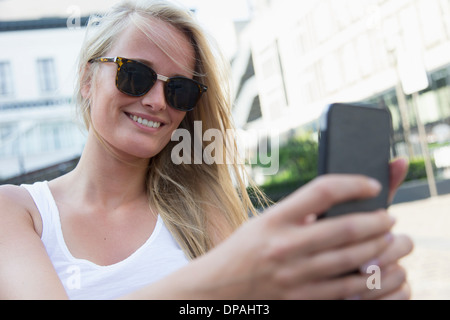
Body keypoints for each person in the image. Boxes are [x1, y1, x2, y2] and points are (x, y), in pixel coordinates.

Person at [0, 0, 413, 300]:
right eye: (136, 75)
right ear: (88, 78)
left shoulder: (201, 213)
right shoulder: (16, 211)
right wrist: (228, 274)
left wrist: (347, 287)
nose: (156, 101)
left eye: (179, 90)